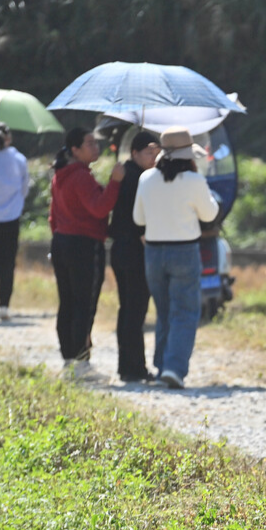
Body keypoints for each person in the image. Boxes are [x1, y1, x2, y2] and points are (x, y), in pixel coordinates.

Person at [132, 126, 219, 389]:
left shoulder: (146, 178)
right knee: (185, 312)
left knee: (165, 311)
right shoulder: (194, 181)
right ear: (187, 154)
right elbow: (209, 215)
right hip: (184, 251)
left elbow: (138, 219)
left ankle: (161, 367)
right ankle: (174, 368)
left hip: (154, 252)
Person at [49, 127, 125, 375]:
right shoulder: (80, 176)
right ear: (75, 149)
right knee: (84, 304)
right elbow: (100, 208)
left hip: (61, 241)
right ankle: (81, 362)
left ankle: (70, 359)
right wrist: (114, 182)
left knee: (68, 302)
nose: (95, 147)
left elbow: (53, 217)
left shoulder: (60, 174)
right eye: (89, 143)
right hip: (84, 243)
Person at [109, 131, 160, 382]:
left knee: (128, 309)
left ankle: (127, 366)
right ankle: (134, 368)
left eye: (157, 152)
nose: (154, 157)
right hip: (133, 250)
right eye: (149, 152)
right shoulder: (139, 178)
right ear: (135, 152)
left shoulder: (128, 174)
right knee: (135, 309)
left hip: (120, 250)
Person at [0, 121, 29, 322]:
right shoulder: (19, 159)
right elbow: (24, 188)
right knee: (7, 263)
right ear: (9, 138)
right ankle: (4, 305)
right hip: (11, 218)